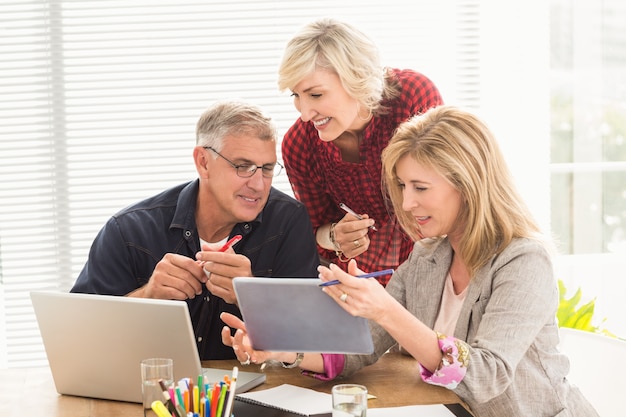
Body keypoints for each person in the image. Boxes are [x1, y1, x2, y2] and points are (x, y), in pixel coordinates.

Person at [221, 106, 599, 416]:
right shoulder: (429, 256)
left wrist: (387, 310)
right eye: (402, 186)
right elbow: (359, 349)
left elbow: (485, 377)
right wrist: (284, 349)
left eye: (420, 187)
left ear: (468, 185)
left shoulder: (523, 261)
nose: (407, 203)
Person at [71, 101, 320, 360]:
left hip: (255, 392)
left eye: (267, 169)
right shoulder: (128, 231)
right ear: (203, 162)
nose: (258, 185)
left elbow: (313, 340)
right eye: (242, 167)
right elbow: (76, 336)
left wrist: (251, 298)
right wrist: (149, 295)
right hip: (151, 392)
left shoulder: (289, 222)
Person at [278, 18, 444, 284]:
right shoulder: (299, 144)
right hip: (364, 276)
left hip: (434, 256)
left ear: (357, 78)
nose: (306, 114)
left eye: (316, 95)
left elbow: (443, 193)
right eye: (295, 96)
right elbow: (312, 230)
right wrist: (335, 236)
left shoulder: (412, 97)